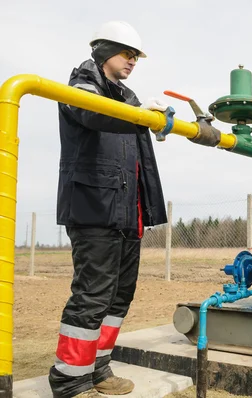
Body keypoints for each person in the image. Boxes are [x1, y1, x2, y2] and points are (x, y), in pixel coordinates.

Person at [49, 21, 168, 398]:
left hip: (127, 211)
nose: (133, 61)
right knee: (93, 295)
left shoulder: (126, 96)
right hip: (94, 207)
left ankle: (97, 369)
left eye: (136, 56)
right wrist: (138, 114)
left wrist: (162, 123)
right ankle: (69, 380)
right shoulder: (82, 85)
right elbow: (93, 115)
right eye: (127, 54)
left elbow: (139, 152)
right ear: (104, 51)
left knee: (119, 296)